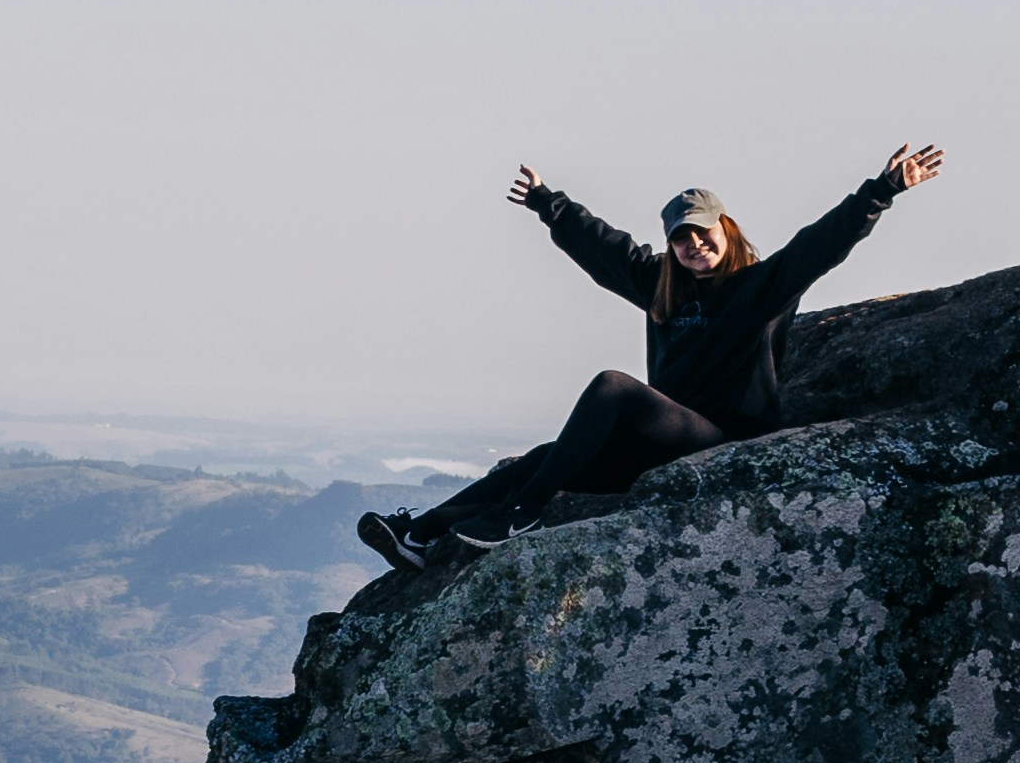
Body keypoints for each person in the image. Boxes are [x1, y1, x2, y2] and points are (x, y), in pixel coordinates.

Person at [358, 143, 944, 573]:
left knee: (613, 386)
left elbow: (821, 242)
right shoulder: (662, 286)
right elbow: (605, 247)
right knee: (546, 456)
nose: (694, 245)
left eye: (702, 233)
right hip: (662, 442)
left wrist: (881, 191)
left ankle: (524, 513)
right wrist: (548, 203)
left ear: (726, 230)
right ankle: (421, 533)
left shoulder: (759, 288)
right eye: (681, 238)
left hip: (726, 437)